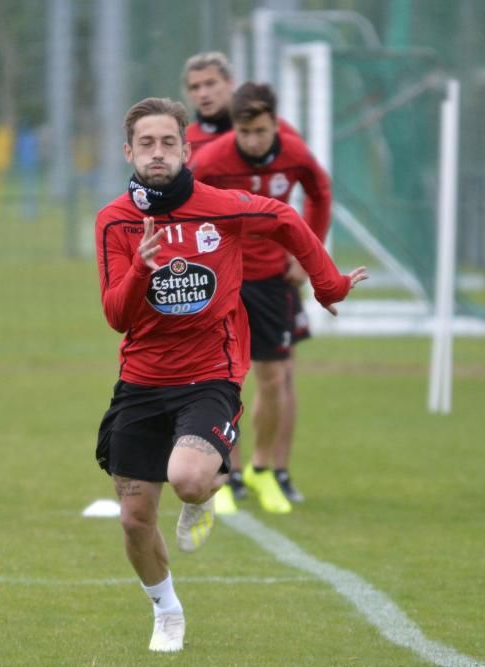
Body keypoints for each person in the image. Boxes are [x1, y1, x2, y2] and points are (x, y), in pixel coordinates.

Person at [94, 96, 366, 652]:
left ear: (186, 148)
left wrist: (327, 283)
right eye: (146, 143)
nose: (158, 152)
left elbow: (288, 219)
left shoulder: (222, 207)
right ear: (129, 151)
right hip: (141, 379)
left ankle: (206, 490)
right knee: (133, 519)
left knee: (191, 478)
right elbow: (116, 316)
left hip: (210, 373)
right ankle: (166, 610)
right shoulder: (115, 221)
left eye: (169, 141)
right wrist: (142, 271)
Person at [191, 82, 332, 514]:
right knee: (223, 381)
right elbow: (181, 204)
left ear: (276, 124)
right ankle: (226, 475)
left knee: (274, 380)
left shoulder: (295, 153)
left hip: (272, 280)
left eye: (262, 131)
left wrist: (305, 251)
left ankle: (263, 470)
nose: (253, 140)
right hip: (224, 282)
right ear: (234, 128)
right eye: (245, 131)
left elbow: (320, 193)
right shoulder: (211, 160)